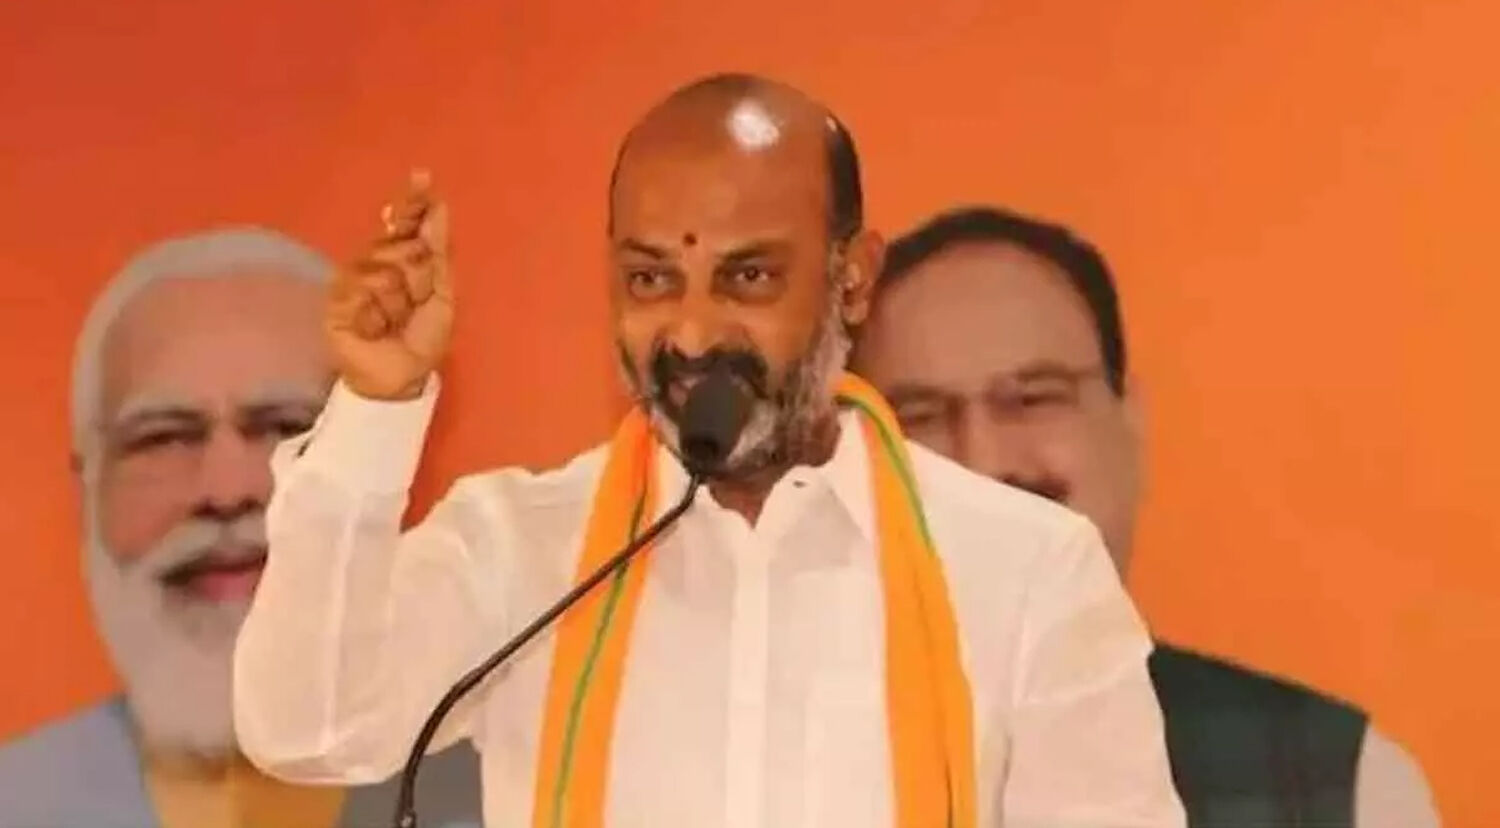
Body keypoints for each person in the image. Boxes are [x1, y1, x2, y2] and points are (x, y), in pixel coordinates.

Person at [233, 74, 1187, 826]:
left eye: (749, 277)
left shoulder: (1025, 570)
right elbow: (310, 730)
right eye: (652, 280)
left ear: (854, 281)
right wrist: (376, 407)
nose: (691, 335)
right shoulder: (522, 548)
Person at [850, 205, 1443, 828]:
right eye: (916, 415)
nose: (982, 460)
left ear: (1129, 423)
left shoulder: (1342, 785)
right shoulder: (791, 754)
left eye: (1033, 398)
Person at [0, 228, 482, 828]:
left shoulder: (522, 795)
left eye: (287, 427)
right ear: (86, 494)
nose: (226, 491)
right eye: (164, 437)